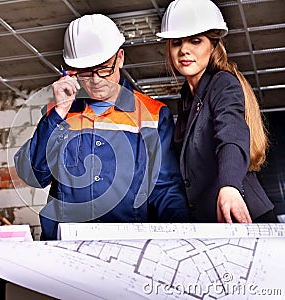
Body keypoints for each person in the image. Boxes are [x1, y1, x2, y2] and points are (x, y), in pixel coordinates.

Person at [15, 14, 190, 240]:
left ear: (120, 58)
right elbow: (34, 176)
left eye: (104, 68)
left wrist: (181, 237)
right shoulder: (58, 115)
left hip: (128, 246)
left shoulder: (152, 115)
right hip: (63, 249)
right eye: (85, 71)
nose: (96, 80)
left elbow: (165, 188)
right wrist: (58, 114)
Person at [156, 0, 276, 223]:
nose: (184, 50)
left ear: (213, 45)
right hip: (213, 223)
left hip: (242, 215)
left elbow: (231, 135)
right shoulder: (186, 99)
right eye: (176, 43)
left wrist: (230, 185)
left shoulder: (222, 83)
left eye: (195, 41)